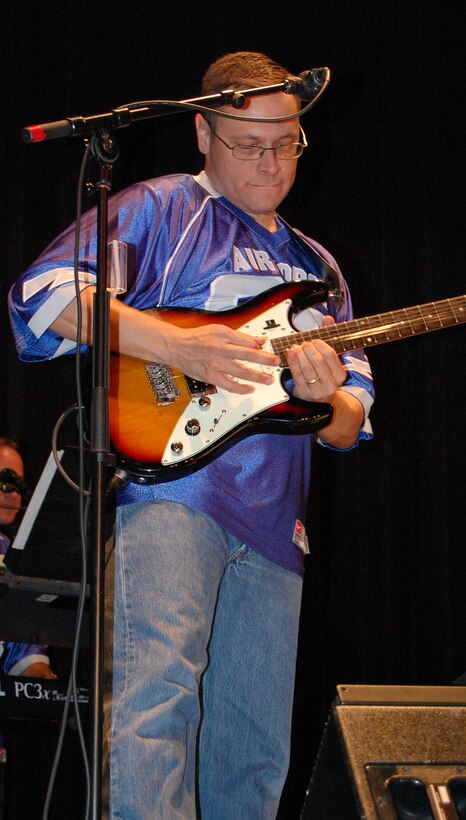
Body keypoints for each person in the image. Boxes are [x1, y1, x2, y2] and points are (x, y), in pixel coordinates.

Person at [8, 51, 375, 818]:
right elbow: (42, 299)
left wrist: (330, 392)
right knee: (157, 707)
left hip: (278, 525)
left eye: (287, 142)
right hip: (175, 495)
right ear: (203, 132)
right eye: (250, 142)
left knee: (255, 748)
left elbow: (350, 423)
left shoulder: (319, 267)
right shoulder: (163, 208)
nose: (272, 161)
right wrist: (177, 346)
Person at [0, 437, 57, 679]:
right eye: (6, 481)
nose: (14, 495)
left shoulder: (10, 550)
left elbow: (20, 649)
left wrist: (41, 677)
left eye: (18, 485)